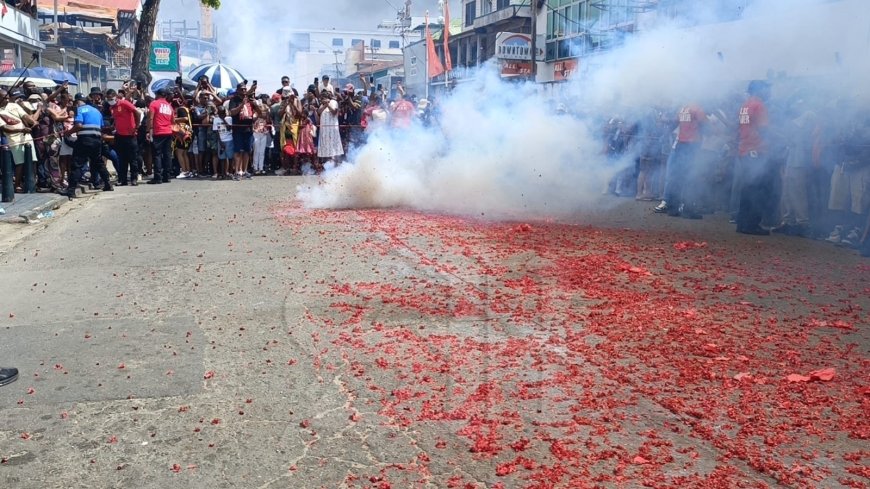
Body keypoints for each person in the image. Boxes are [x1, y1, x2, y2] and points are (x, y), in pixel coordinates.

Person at [735, 80, 773, 235]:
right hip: (756, 150)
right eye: (767, 89)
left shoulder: (745, 105)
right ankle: (752, 224)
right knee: (757, 189)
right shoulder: (759, 105)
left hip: (744, 149)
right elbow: (764, 129)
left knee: (747, 188)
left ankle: (742, 223)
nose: (769, 92)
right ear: (759, 90)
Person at [63, 87, 112, 197]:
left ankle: (71, 191)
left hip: (84, 141)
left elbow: (79, 125)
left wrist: (68, 133)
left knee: (77, 164)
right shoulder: (97, 111)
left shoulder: (79, 110)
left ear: (77, 103)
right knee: (99, 163)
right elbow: (101, 127)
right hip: (97, 141)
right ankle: (108, 184)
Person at [0, 89, 37, 192]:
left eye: (8, 98)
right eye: (4, 98)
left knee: (32, 160)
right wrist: (21, 129)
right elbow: (5, 128)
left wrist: (33, 122)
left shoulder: (14, 105)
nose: (7, 100)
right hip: (14, 139)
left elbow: (24, 116)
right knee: (20, 163)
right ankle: (17, 185)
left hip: (26, 136)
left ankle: (32, 182)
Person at [107, 87, 141, 186]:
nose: (110, 101)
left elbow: (137, 112)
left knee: (132, 159)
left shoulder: (124, 103)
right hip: (119, 135)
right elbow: (116, 118)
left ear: (115, 96)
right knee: (122, 159)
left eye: (111, 98)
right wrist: (113, 126)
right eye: (108, 99)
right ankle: (123, 179)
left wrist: (137, 125)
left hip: (130, 135)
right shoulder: (111, 108)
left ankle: (134, 179)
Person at [228, 82, 255, 180]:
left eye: (245, 89)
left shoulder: (250, 100)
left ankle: (244, 171)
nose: (244, 91)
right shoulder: (233, 100)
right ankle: (237, 172)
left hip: (248, 128)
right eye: (242, 89)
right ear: (238, 90)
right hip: (238, 129)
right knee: (238, 151)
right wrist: (241, 105)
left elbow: (257, 113)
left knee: (247, 151)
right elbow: (232, 112)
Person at [146, 88, 174, 184]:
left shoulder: (154, 104)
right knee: (167, 155)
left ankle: (158, 177)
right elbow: (172, 121)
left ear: (158, 95)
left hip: (158, 132)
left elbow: (150, 118)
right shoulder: (169, 106)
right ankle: (167, 176)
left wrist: (148, 131)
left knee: (157, 155)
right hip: (168, 132)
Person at [317, 90, 343, 168]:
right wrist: (324, 104)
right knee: (325, 146)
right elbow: (319, 112)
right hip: (324, 129)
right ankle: (327, 164)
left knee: (333, 146)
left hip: (332, 128)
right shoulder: (322, 104)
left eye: (323, 97)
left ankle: (336, 163)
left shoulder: (334, 102)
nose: (322, 99)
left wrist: (328, 104)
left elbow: (334, 112)